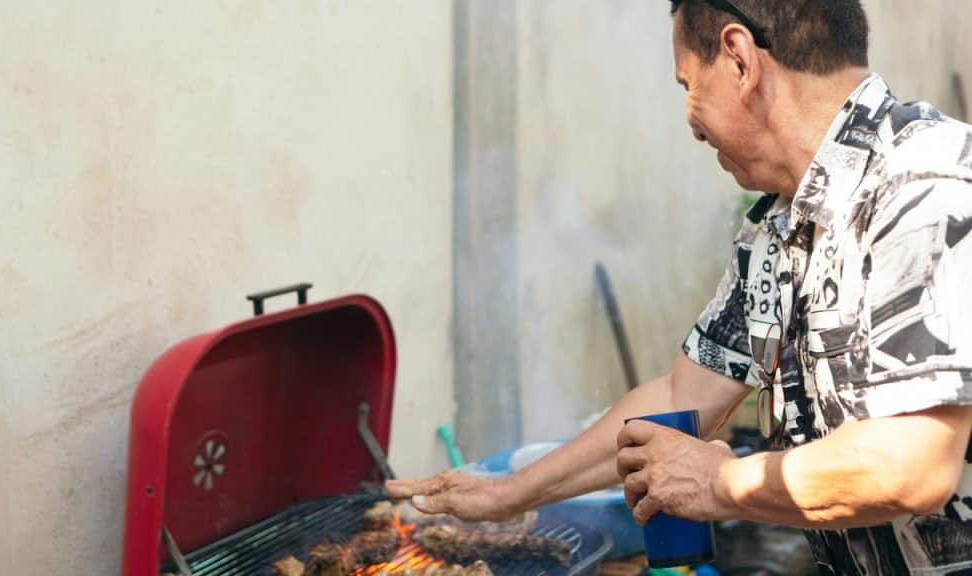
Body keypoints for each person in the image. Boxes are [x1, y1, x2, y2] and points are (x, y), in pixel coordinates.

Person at [387, 1, 972, 573]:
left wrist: (719, 482)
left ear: (740, 60)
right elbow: (680, 398)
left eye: (688, 85)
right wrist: (509, 494)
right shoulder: (777, 227)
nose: (691, 122)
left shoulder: (924, 186)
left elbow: (911, 463)